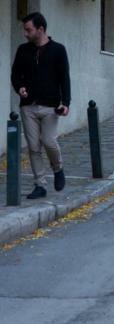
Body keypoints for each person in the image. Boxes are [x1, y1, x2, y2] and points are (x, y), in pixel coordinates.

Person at [10, 12, 71, 200]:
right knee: (33, 147)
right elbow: (15, 75)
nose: (25, 33)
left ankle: (58, 168)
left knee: (49, 141)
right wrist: (19, 88)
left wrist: (66, 103)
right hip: (28, 106)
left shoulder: (58, 50)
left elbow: (64, 78)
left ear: (41, 29)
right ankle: (40, 185)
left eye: (29, 30)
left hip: (50, 106)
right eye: (25, 30)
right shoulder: (23, 50)